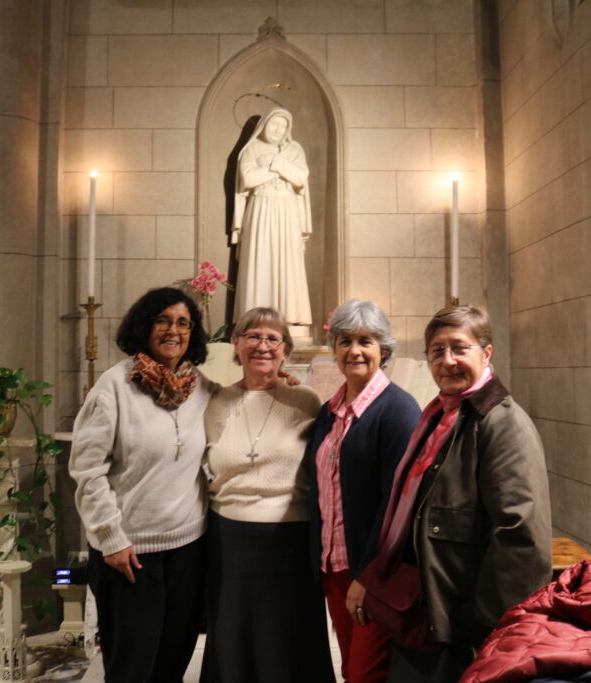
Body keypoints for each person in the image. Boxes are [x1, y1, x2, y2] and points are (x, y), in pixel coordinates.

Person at [371, 305, 552, 682]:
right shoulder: (440, 415)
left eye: (459, 348)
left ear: (487, 353)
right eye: (437, 351)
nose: (448, 360)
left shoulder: (501, 423)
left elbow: (519, 536)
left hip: (465, 621)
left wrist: (491, 630)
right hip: (429, 609)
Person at [69, 287, 217, 683]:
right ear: (144, 326)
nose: (174, 330)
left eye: (183, 323)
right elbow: (87, 470)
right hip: (130, 553)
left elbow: (242, 404)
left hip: (187, 550)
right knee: (131, 666)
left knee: (173, 658)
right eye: (162, 320)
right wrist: (111, 538)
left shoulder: (200, 387)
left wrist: (278, 384)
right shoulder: (114, 386)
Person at [200, 307, 335, 683]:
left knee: (287, 644)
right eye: (253, 336)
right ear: (236, 344)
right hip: (229, 540)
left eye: (273, 339)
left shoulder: (306, 400)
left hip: (290, 541)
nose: (263, 346)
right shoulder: (216, 402)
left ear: (286, 350)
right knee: (233, 640)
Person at [304, 300, 421, 683]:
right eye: (345, 341)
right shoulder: (329, 412)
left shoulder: (398, 410)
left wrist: (367, 577)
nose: (354, 350)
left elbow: (397, 503)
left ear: (383, 349)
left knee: (365, 673)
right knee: (350, 666)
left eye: (365, 341)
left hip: (373, 573)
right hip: (334, 567)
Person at [231, 108, 313, 331]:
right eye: (274, 124)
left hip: (287, 210)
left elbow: (300, 178)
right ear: (265, 125)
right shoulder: (251, 149)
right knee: (260, 257)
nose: (278, 130)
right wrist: (279, 170)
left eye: (283, 126)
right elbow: (248, 179)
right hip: (260, 208)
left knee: (288, 259)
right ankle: (255, 318)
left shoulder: (295, 149)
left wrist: (275, 163)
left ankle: (290, 316)